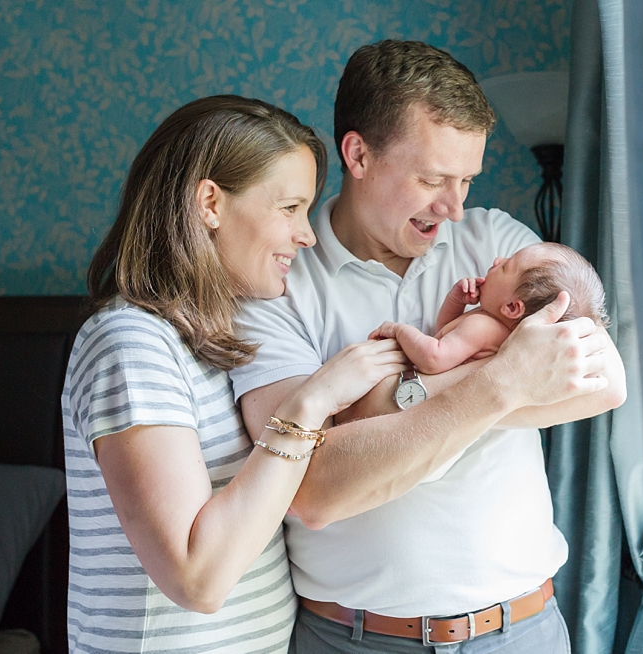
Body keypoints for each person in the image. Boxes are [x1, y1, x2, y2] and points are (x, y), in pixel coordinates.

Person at [230, 40, 626, 652]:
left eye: (467, 179)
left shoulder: (500, 244)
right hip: (352, 640)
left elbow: (603, 381)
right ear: (358, 154)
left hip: (522, 632)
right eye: (432, 179)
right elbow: (310, 490)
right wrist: (501, 381)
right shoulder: (275, 280)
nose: (456, 207)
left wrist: (372, 409)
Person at [62, 95, 411, 653]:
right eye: (290, 207)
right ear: (210, 203)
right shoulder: (130, 342)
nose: (308, 234)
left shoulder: (212, 337)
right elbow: (196, 579)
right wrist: (308, 403)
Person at [369, 242, 610, 374]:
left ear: (513, 308)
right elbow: (445, 331)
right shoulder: (493, 326)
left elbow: (434, 357)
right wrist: (456, 301)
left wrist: (399, 330)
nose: (497, 260)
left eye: (506, 266)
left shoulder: (482, 327)